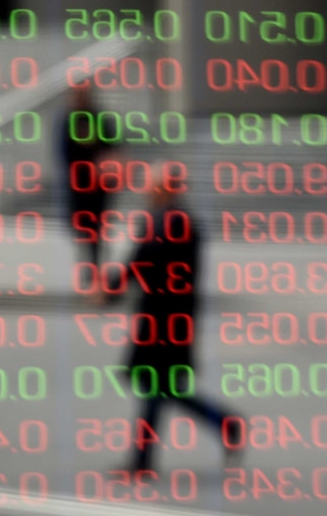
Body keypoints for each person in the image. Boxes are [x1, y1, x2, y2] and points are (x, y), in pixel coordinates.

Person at [93, 161, 241, 473]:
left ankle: (143, 461)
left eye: (151, 185)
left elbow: (142, 262)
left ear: (163, 188)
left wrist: (110, 289)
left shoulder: (169, 223)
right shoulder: (171, 220)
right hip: (169, 317)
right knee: (162, 386)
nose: (146, 190)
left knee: (155, 384)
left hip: (164, 319)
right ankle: (225, 423)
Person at [60, 83, 118, 269]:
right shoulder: (68, 120)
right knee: (81, 227)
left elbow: (111, 146)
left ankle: (94, 264)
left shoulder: (98, 118)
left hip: (98, 186)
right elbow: (64, 152)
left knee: (96, 228)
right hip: (78, 185)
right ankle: (89, 264)